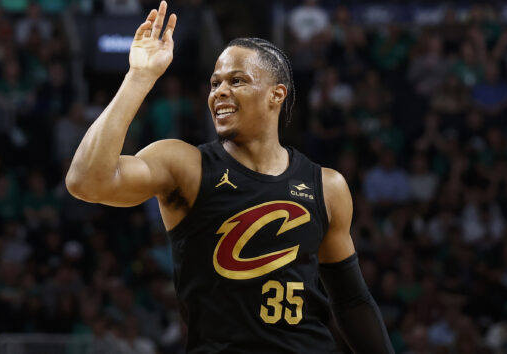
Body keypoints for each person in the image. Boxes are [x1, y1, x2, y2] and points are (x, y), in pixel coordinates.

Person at [66, 2, 394, 353]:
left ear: (276, 96)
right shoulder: (185, 165)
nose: (219, 91)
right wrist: (139, 77)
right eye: (215, 83)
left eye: (237, 81)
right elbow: (86, 181)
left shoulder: (327, 186)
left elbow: (351, 301)